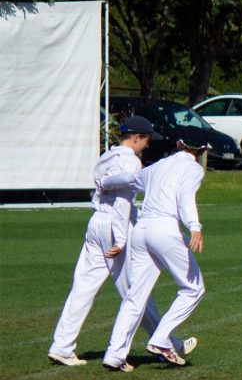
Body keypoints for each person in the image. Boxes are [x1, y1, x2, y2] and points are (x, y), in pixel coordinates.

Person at [48, 117, 194, 367]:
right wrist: (121, 236)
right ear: (136, 137)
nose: (147, 145)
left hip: (96, 222)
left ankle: (62, 345)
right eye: (146, 139)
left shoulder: (107, 156)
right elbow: (123, 201)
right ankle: (160, 344)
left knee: (83, 287)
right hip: (117, 226)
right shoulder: (131, 161)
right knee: (136, 293)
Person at [101, 127, 210, 370]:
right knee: (194, 289)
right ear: (201, 150)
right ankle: (161, 340)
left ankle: (114, 354)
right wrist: (194, 226)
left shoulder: (159, 165)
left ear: (179, 144)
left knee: (135, 296)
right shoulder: (193, 169)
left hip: (141, 231)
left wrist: (105, 181)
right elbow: (185, 196)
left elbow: (129, 179)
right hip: (165, 229)